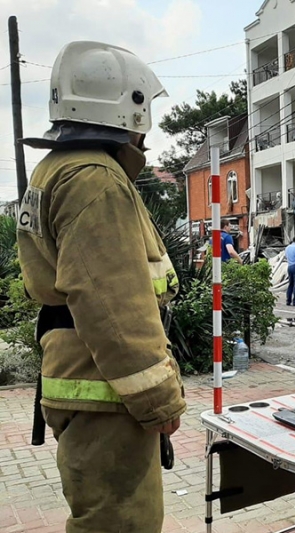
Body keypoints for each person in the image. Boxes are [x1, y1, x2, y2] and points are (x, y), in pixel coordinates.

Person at [15, 41, 186, 532]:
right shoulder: (96, 179)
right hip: (106, 393)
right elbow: (112, 305)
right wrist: (158, 400)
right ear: (129, 107)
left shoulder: (56, 169)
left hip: (83, 380)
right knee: (122, 523)